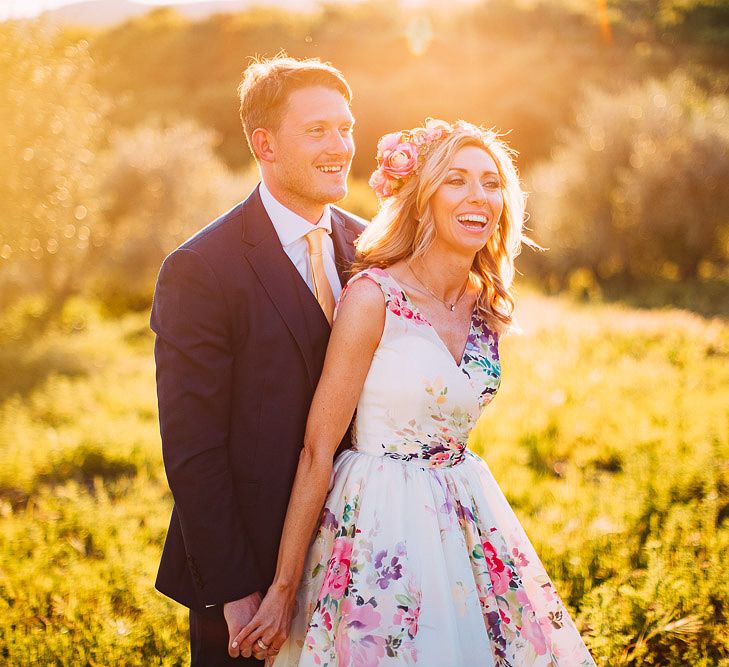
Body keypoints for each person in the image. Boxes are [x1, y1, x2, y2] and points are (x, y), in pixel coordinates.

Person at [232, 119, 597, 666]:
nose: (480, 196)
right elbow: (317, 449)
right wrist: (283, 587)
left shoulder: (486, 304)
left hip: (464, 509)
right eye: (457, 180)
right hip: (378, 517)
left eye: (491, 183)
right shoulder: (373, 296)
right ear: (422, 199)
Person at [150, 55, 365, 666]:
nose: (341, 146)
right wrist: (233, 592)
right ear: (263, 144)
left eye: (346, 128)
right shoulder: (200, 269)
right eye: (318, 129)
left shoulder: (369, 246)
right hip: (250, 564)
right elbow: (192, 450)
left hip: (364, 552)